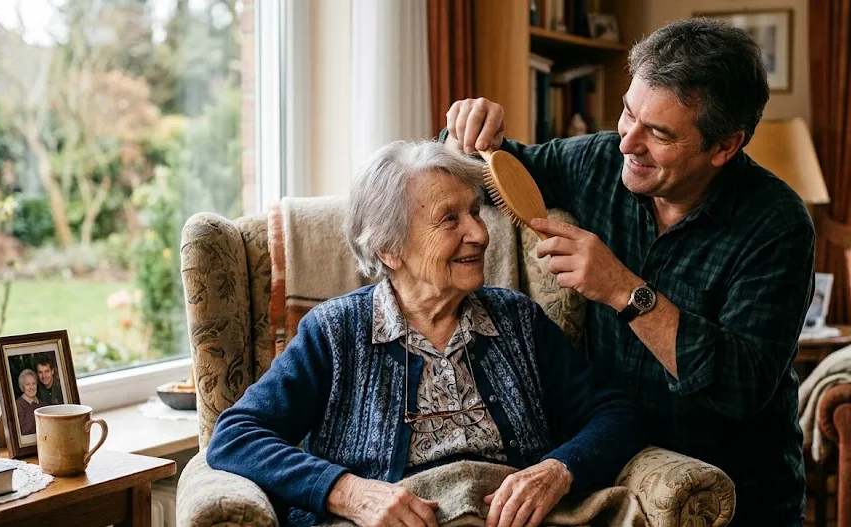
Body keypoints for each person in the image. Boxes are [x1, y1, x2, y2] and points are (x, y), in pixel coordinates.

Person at [443, 17, 814, 526]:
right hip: (614, 470)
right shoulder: (599, 160)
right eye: (627, 113)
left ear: (725, 146)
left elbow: (742, 387)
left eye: (658, 133)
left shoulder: (778, 224)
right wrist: (464, 128)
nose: (627, 142)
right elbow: (493, 173)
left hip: (736, 496)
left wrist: (623, 290)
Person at [207, 141, 644, 527]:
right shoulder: (335, 333)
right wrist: (349, 492)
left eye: (474, 211)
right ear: (389, 248)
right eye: (449, 219)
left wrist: (557, 470)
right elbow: (237, 435)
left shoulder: (517, 320)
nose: (478, 233)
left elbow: (615, 412)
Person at [15, 369, 42, 435]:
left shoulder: (42, 404)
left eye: (33, 383)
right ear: (22, 387)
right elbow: (20, 433)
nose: (31, 387)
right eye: (27, 384)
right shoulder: (17, 405)